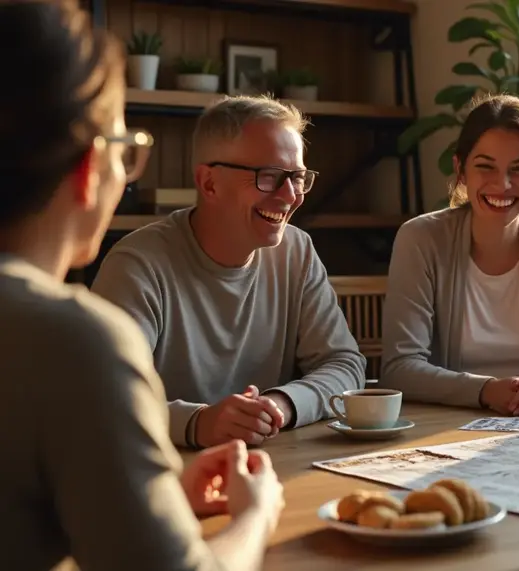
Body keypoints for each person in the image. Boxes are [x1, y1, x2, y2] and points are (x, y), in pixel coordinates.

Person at [0, 2, 283, 569]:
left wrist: (154, 499)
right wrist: (256, 513)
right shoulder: (77, 341)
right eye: (125, 147)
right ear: (88, 168)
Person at [90, 94, 366, 449]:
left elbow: (345, 364)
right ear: (209, 183)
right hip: (165, 475)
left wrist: (280, 404)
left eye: (297, 177)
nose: (290, 195)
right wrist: (199, 422)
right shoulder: (138, 265)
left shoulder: (297, 252)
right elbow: (102, 397)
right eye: (269, 176)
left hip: (271, 466)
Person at [380, 94, 519, 416]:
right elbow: (400, 368)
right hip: (436, 424)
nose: (502, 184)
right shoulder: (420, 240)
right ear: (461, 170)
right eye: (485, 167)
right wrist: (486, 391)